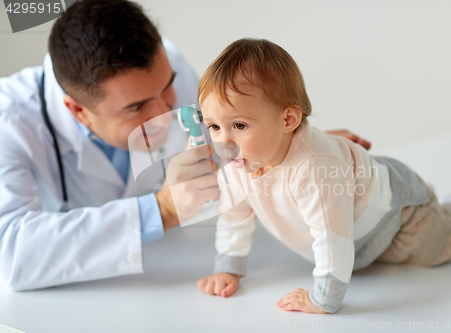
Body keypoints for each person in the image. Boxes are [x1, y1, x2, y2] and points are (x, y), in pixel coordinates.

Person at [0, 0, 369, 291]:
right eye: (136, 107)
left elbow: (227, 145)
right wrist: (163, 210)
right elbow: (12, 255)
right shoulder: (9, 122)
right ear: (79, 111)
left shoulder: (167, 64)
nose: (167, 111)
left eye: (167, 88)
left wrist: (292, 144)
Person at [195, 38, 451, 314]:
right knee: (374, 264)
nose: (224, 142)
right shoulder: (238, 161)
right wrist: (229, 268)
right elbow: (234, 215)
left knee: (439, 249)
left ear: (288, 119)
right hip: (358, 232)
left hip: (394, 214)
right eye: (213, 127)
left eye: (238, 126)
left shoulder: (314, 168)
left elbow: (332, 237)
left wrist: (323, 299)